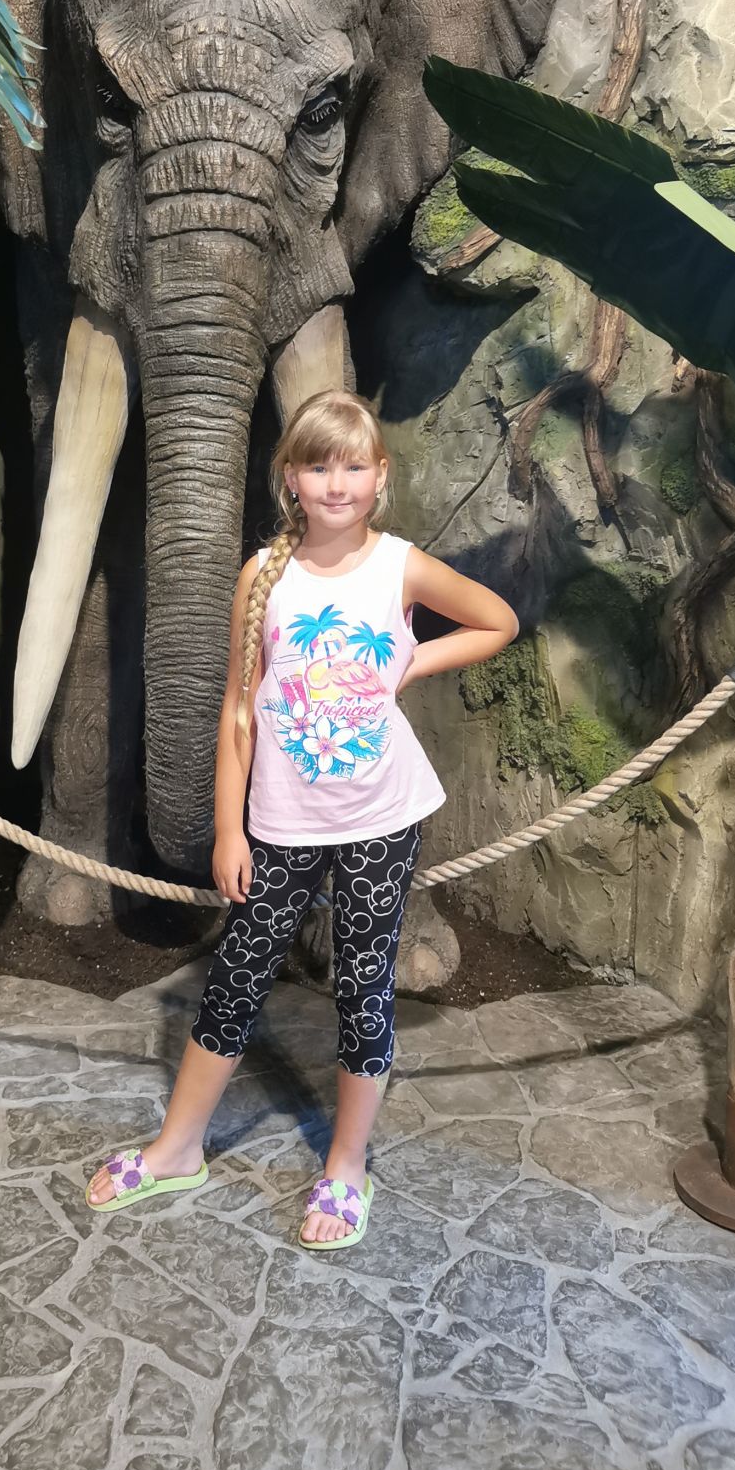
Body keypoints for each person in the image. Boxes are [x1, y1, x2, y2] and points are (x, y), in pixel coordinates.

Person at [86, 388, 520, 1249]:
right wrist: (228, 827)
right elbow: (238, 711)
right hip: (282, 823)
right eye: (319, 466)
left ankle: (347, 1167)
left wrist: (409, 662)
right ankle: (177, 1147)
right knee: (236, 975)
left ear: (379, 476)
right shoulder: (264, 578)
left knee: (363, 986)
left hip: (381, 817)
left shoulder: (400, 567)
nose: (336, 483)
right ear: (291, 478)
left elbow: (496, 620)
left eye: (353, 466)